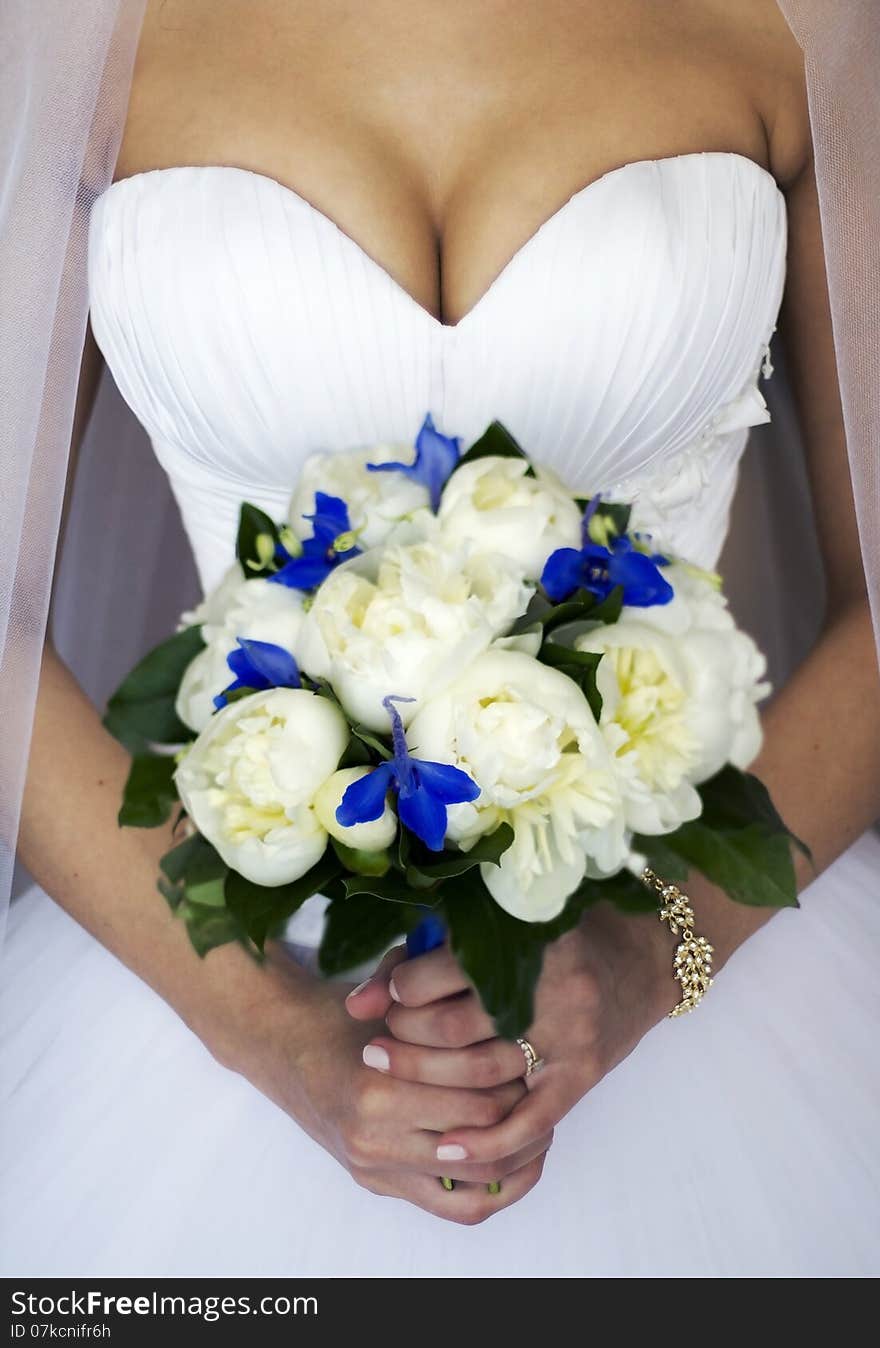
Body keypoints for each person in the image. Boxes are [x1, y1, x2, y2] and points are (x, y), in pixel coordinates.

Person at [2, 0, 879, 1277]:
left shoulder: (804, 25)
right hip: (204, 1017)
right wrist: (275, 1034)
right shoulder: (77, 32)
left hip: (713, 986)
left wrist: (653, 958)